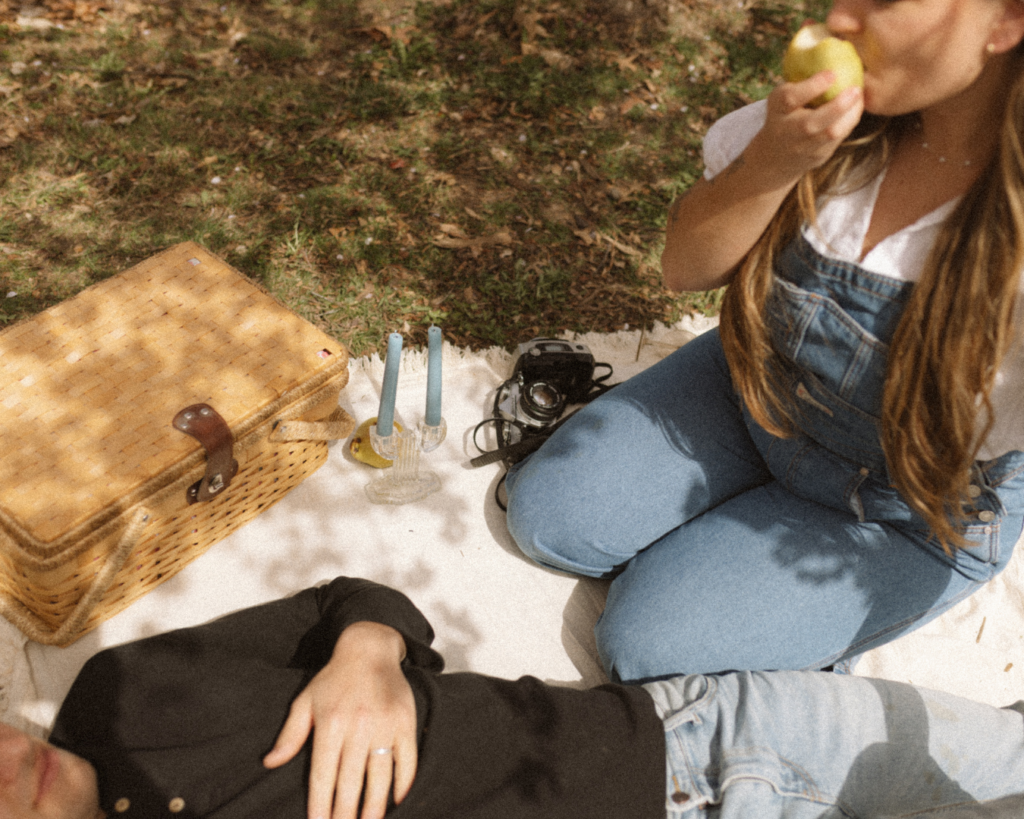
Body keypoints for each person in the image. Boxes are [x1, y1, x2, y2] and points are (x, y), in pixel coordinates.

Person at [503, 1, 1024, 683]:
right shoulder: (837, 126)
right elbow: (684, 267)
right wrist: (773, 163)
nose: (840, 18)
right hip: (755, 390)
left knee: (647, 643)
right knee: (549, 515)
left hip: (903, 507)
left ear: (1006, 20)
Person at [2, 575, 1024, 819]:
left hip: (703, 738)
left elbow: (353, 598)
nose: (9, 753)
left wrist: (366, 654)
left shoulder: (122, 687)